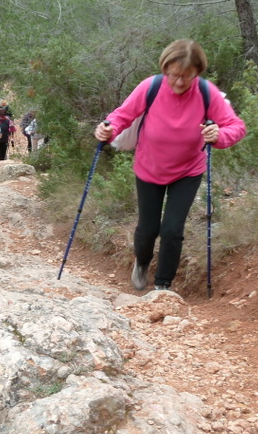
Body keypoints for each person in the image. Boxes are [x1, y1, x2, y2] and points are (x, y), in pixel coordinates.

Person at [94, 39, 245, 292]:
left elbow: (236, 127)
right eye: (173, 75)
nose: (178, 82)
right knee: (147, 230)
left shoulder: (207, 93)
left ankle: (162, 286)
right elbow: (122, 115)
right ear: (165, 69)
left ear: (197, 73)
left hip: (188, 171)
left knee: (173, 230)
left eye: (186, 77)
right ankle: (142, 263)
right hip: (149, 168)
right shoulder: (150, 87)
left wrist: (219, 136)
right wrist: (107, 130)